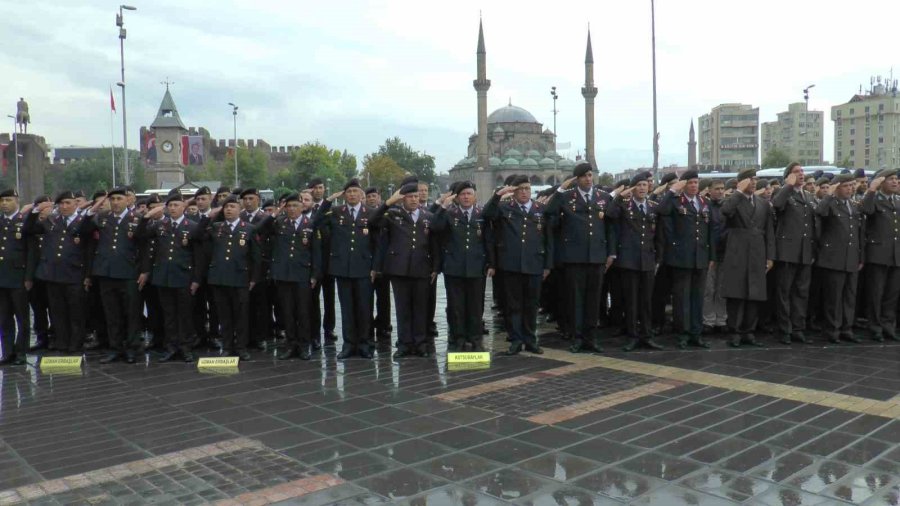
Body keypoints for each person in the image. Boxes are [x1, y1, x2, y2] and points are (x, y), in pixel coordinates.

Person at [543, 162, 617, 353]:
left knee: (594, 300)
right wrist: (560, 189)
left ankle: (590, 338)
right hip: (574, 257)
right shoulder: (567, 197)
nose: (588, 179)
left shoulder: (603, 197)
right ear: (577, 179)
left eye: (590, 175)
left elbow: (610, 226)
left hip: (596, 256)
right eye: (584, 176)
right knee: (576, 300)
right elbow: (548, 211)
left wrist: (611, 252)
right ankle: (577, 338)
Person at [482, 175, 551, 355]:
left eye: (527, 188)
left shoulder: (540, 209)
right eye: (520, 189)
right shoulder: (504, 208)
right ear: (513, 192)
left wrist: (547, 265)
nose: (524, 192)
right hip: (510, 264)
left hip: (534, 263)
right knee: (513, 304)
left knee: (531, 304)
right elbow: (487, 214)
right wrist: (498, 195)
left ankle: (530, 339)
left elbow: (548, 239)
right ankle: (515, 339)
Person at [373, 183, 440, 358]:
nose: (414, 200)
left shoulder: (428, 216)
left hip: (422, 268)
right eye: (410, 197)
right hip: (399, 268)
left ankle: (420, 343)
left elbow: (435, 244)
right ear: (403, 198)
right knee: (402, 308)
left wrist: (435, 267)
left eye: (416, 196)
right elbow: (373, 221)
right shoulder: (393, 215)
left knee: (420, 308)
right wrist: (387, 203)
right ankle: (404, 343)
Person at [138, 193, 206, 362]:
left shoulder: (192, 226)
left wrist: (197, 279)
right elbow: (141, 236)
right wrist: (146, 217)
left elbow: (198, 256)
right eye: (171, 206)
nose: (173, 208)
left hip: (184, 277)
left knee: (184, 315)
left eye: (177, 205)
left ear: (183, 207)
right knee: (168, 315)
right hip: (164, 277)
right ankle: (171, 347)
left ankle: (185, 347)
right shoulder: (161, 225)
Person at [80, 188, 145, 364]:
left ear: (127, 200)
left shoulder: (136, 219)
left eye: (119, 198)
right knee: (111, 313)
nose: (115, 202)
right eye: (113, 199)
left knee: (131, 313)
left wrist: (144, 271)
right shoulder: (102, 218)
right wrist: (91, 211)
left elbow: (145, 248)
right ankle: (115, 348)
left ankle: (132, 348)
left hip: (129, 272)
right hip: (106, 273)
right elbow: (83, 230)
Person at [314, 179, 377, 359]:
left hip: (364, 268)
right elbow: (316, 221)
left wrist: (376, 267)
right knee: (347, 308)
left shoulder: (370, 213)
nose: (351, 195)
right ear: (344, 195)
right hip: (342, 268)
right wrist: (328, 201)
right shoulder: (335, 212)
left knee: (365, 308)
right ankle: (349, 344)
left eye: (355, 192)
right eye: (348, 192)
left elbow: (377, 242)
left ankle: (365, 344)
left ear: (361, 194)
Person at [255, 192, 321, 360]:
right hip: (283, 274)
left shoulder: (310, 224)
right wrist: (276, 212)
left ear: (302, 207)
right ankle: (291, 344)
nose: (292, 209)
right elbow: (259, 229)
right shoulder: (279, 223)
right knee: (287, 312)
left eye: (295, 206)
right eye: (289, 206)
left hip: (302, 274)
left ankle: (304, 345)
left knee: (303, 312)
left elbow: (316, 252)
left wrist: (314, 274)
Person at [23, 191, 91, 354]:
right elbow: (29, 229)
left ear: (75, 204)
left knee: (75, 312)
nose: (64, 206)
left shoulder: (83, 221)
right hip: (53, 275)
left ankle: (75, 343)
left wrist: (88, 275)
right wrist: (35, 210)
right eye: (61, 204)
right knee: (57, 312)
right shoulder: (51, 221)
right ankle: (61, 343)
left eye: (68, 203)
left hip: (74, 274)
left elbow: (89, 251)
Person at [431, 181, 492, 352]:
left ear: (475, 196)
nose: (466, 197)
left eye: (469, 193)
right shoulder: (450, 213)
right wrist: (443, 206)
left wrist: (491, 263)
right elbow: (435, 227)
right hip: (454, 267)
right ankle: (458, 338)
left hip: (476, 266)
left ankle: (475, 339)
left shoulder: (482, 214)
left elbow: (488, 240)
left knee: (475, 306)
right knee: (456, 306)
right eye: (462, 194)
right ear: (456, 197)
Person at [658, 170, 716, 349]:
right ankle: (682, 333)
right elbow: (661, 210)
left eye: (696, 183)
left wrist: (712, 256)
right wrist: (671, 191)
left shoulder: (705, 202)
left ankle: (696, 333)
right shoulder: (675, 202)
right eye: (690, 182)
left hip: (701, 257)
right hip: (681, 257)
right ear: (684, 185)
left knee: (698, 297)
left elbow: (711, 231)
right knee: (682, 297)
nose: (694, 186)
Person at [201, 196, 261, 360]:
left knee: (241, 315)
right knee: (224, 315)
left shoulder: (249, 228)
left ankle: (241, 347)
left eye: (232, 207)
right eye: (226, 207)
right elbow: (199, 235)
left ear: (239, 209)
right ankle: (227, 346)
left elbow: (256, 256)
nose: (228, 210)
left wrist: (254, 278)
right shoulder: (215, 227)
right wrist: (208, 217)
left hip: (241, 278)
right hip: (219, 278)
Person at [720, 169, 775, 347]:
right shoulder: (733, 200)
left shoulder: (763, 203)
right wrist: (738, 191)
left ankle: (748, 331)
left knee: (754, 294)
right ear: (741, 182)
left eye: (755, 179)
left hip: (757, 252)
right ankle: (734, 332)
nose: (753, 182)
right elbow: (726, 211)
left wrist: (770, 256)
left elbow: (769, 232)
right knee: (736, 294)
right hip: (737, 250)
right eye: (750, 180)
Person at [613, 173, 664, 351]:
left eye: (645, 185)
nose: (642, 188)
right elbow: (610, 214)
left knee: (646, 301)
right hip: (629, 260)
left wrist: (658, 257)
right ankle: (633, 336)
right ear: (633, 188)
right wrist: (620, 195)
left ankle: (646, 335)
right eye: (639, 185)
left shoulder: (653, 207)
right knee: (631, 301)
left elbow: (658, 235)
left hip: (648, 259)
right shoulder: (624, 206)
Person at [816, 173, 865, 344]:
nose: (850, 188)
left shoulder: (853, 205)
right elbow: (820, 212)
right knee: (834, 298)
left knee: (849, 297)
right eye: (846, 185)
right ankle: (832, 330)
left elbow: (859, 233)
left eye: (852, 185)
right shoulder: (831, 204)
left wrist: (861, 256)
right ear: (837, 187)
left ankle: (846, 328)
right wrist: (829, 194)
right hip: (834, 258)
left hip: (851, 257)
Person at [771, 163, 816, 344]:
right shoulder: (783, 193)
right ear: (788, 176)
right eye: (796, 172)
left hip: (805, 252)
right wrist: (788, 185)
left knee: (801, 292)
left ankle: (798, 328)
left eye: (802, 171)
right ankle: (785, 329)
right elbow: (777, 205)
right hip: (787, 251)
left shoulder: (808, 196)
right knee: (784, 292)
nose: (801, 174)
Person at [861, 169, 900, 342]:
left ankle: (888, 325)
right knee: (876, 293)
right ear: (881, 182)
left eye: (896, 179)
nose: (895, 182)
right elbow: (865, 210)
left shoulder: (898, 201)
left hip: (896, 255)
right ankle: (875, 327)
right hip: (878, 254)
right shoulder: (874, 200)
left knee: (892, 294)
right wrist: (872, 189)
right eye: (891, 179)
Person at [0, 189, 31, 365]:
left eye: (8, 200)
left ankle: (21, 352)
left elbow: (31, 252)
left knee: (22, 318)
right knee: (4, 318)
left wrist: (28, 277)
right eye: (2, 200)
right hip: (2, 277)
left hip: (19, 277)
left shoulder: (24, 222)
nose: (4, 203)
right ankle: (7, 352)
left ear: (17, 201)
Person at [308, 177, 338, 348]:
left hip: (327, 258)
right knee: (313, 299)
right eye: (315, 188)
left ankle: (329, 328)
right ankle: (314, 331)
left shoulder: (331, 210)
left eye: (321, 187)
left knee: (329, 297)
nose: (318, 190)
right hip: (313, 261)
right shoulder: (306, 210)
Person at [365, 187, 392, 344]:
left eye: (374, 196)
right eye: (369, 197)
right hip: (368, 262)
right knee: (367, 297)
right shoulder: (365, 214)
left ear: (379, 197)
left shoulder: (387, 213)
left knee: (384, 298)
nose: (371, 199)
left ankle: (384, 324)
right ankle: (368, 325)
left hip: (384, 262)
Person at [702, 180, 728, 334]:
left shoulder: (727, 207)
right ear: (709, 191)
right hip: (710, 254)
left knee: (722, 289)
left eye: (722, 189)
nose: (720, 191)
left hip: (724, 252)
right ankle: (708, 320)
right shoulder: (706, 207)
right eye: (716, 189)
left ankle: (721, 319)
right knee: (708, 289)